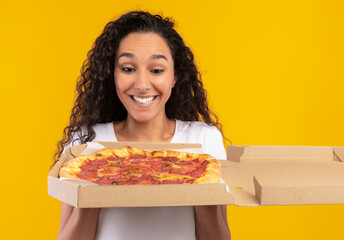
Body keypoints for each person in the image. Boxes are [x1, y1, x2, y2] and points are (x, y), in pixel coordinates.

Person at [54, 11, 231, 240]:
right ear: (113, 74)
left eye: (156, 70)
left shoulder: (203, 141)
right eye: (128, 69)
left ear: (174, 76)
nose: (142, 84)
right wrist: (94, 183)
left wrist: (200, 186)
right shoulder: (86, 142)